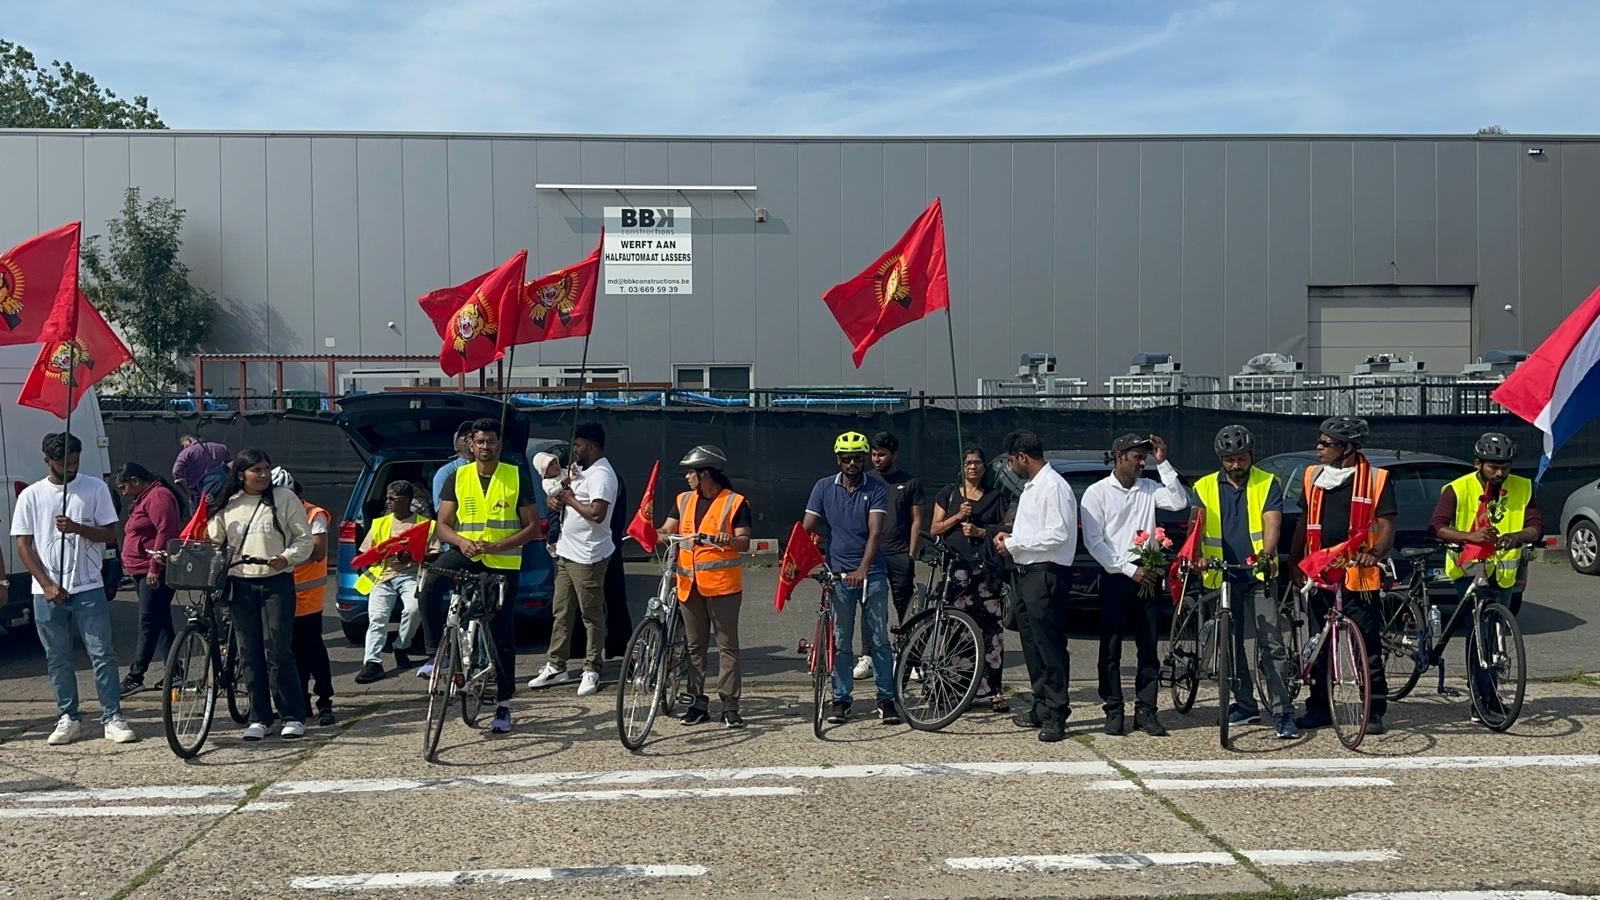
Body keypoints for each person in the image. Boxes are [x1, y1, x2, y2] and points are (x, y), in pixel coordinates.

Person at [13, 433, 136, 745]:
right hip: (46, 591)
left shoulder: (94, 488)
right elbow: (23, 545)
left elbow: (110, 534)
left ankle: (112, 716)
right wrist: (46, 584)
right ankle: (68, 716)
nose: (71, 468)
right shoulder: (31, 495)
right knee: (57, 657)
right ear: (48, 461)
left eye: (75, 462)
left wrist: (77, 528)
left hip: (88, 585)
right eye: (64, 464)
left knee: (102, 653)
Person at [422, 418, 542, 733]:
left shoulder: (515, 475)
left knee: (500, 633)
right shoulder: (457, 476)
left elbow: (532, 527)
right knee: (430, 582)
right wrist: (461, 542)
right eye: (480, 441)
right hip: (467, 553)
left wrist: (499, 545)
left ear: (499, 444)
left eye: (490, 441)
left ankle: (503, 704)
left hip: (502, 562)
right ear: (470, 445)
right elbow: (443, 524)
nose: (485, 446)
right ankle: (436, 655)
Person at [1290, 416, 1395, 734]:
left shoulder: (1376, 479)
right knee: (1319, 642)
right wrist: (1294, 562)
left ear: (1347, 448)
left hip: (1358, 574)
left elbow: (1387, 525)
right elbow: (1303, 521)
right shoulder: (1313, 475)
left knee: (1367, 644)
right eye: (1320, 441)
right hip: (1320, 572)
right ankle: (1319, 706)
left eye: (1326, 443)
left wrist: (1375, 553)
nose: (1318, 447)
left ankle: (1372, 709)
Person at [1080, 433, 1188, 737]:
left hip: (1148, 571)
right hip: (1116, 573)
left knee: (1148, 645)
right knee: (1111, 646)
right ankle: (1114, 709)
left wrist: (1163, 462)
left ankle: (1146, 710)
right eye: (1137, 457)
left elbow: (1179, 501)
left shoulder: (1149, 488)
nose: (1142, 463)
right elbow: (1094, 542)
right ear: (1119, 458)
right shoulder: (1096, 493)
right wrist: (1129, 570)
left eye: (1145, 457)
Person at [1193, 426, 1297, 740]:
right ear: (1221, 460)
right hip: (1221, 574)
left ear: (1251, 456)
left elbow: (1272, 521)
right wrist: (1196, 555)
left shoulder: (1267, 482)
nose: (1236, 464)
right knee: (1230, 644)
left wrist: (1267, 553)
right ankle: (1245, 704)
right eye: (1230, 459)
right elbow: (1196, 526)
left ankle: (1282, 712)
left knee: (1272, 643)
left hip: (1258, 574)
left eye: (1241, 458)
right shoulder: (1203, 486)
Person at [1430, 432, 1542, 721]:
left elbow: (1536, 526)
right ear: (1478, 463)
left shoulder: (1523, 487)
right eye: (1494, 467)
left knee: (1496, 631)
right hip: (1468, 568)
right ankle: (1481, 700)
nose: (1500, 473)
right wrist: (1469, 537)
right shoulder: (1457, 489)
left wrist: (1516, 536)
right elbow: (1438, 526)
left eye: (1505, 467)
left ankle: (1489, 694)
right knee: (1479, 629)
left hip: (1503, 570)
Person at [206, 448, 314, 741]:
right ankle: (259, 717)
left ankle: (292, 715)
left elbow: (304, 539)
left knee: (278, 650)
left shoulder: (284, 498)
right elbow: (213, 539)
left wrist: (286, 558)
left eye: (266, 468)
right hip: (240, 584)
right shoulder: (229, 503)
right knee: (249, 652)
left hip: (276, 583)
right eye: (256, 470)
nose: (263, 475)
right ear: (241, 475)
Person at [803, 431, 900, 725]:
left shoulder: (876, 487)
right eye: (847, 459)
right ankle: (841, 699)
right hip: (839, 574)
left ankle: (886, 698)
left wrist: (862, 570)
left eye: (858, 458)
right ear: (838, 460)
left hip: (872, 574)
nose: (852, 464)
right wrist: (805, 551)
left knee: (879, 638)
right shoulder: (823, 487)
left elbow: (875, 532)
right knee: (841, 640)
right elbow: (807, 525)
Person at [651, 445, 751, 728]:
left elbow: (744, 542)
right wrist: (657, 533)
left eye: (690, 472)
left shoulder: (735, 502)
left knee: (727, 646)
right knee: (694, 646)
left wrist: (729, 540)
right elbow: (668, 528)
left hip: (722, 587)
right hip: (689, 584)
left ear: (705, 474)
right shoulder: (683, 500)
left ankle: (730, 705)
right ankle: (697, 702)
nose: (687, 477)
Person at [992, 431, 1078, 742]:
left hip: (1047, 574)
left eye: (1012, 461)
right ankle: (1041, 704)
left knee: (1049, 646)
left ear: (1022, 457)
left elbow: (1058, 534)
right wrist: (1011, 537)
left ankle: (1057, 711)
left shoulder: (1053, 486)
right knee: (1032, 644)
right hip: (1027, 574)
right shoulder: (1032, 487)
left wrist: (1015, 543)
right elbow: (1035, 530)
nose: (1011, 467)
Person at [529, 423, 617, 697]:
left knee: (590, 613)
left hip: (588, 556)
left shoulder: (602, 475)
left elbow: (597, 513)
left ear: (590, 445)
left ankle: (592, 666)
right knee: (561, 611)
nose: (574, 451)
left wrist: (568, 499)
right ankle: (557, 665)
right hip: (566, 552)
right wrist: (555, 502)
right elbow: (560, 495)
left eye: (577, 445)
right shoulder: (579, 470)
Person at [930, 445, 1012, 712]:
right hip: (957, 570)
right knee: (956, 629)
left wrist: (981, 532)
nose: (973, 467)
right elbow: (935, 528)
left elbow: (1009, 528)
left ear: (985, 467)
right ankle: (957, 689)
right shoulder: (949, 494)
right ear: (962, 467)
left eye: (977, 462)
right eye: (968, 463)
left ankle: (993, 690)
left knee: (990, 631)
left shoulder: (996, 497)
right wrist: (957, 516)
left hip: (986, 571)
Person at [853, 432, 924, 681]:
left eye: (881, 455)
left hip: (899, 554)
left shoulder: (910, 483)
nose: (876, 459)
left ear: (894, 454)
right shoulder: (865, 480)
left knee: (905, 607)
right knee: (870, 605)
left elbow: (917, 521)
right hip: (872, 556)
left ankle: (911, 659)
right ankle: (868, 657)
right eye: (873, 454)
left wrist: (911, 554)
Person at [115, 463, 185, 696]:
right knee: (160, 619)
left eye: (124, 487)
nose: (124, 493)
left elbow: (166, 532)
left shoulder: (158, 497)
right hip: (140, 569)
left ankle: (136, 675)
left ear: (135, 481)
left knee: (147, 620)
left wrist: (155, 568)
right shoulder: (144, 498)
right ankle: (175, 672)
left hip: (152, 570)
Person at [354, 481, 432, 684]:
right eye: (387, 498)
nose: (387, 502)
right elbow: (365, 553)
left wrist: (413, 556)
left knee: (414, 609)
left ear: (407, 500)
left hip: (411, 575)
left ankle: (401, 646)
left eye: (392, 498)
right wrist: (377, 556)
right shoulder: (380, 523)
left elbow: (436, 553)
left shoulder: (425, 525)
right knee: (377, 618)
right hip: (382, 577)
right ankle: (372, 663)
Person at [284, 470, 336, 727]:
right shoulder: (274, 513)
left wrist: (283, 556)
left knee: (312, 648)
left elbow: (318, 551)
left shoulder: (314, 515)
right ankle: (301, 701)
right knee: (292, 651)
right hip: (282, 591)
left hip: (308, 593)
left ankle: (325, 701)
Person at [172, 433, 230, 505]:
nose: (183, 448)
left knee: (200, 511)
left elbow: (176, 472)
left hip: (200, 494)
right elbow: (231, 465)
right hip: (223, 488)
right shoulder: (221, 447)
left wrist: (189, 494)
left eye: (183, 445)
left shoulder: (186, 453)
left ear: (188, 441)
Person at [431, 421, 476, 506]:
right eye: (465, 434)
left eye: (473, 435)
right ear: (456, 446)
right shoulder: (445, 472)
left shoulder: (488, 468)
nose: (470, 436)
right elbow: (441, 508)